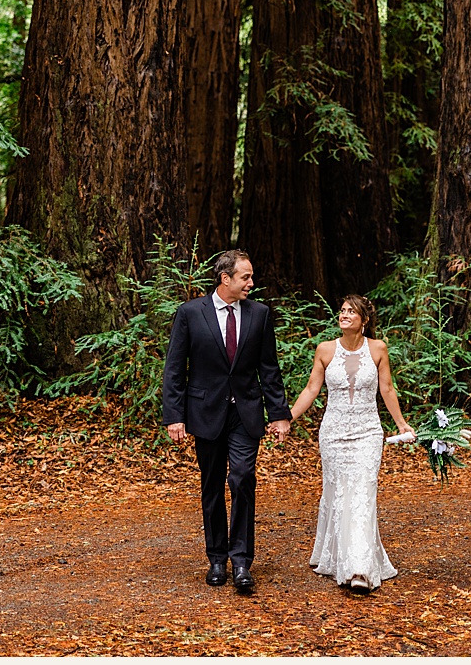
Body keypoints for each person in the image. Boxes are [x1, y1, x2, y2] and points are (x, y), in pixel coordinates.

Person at [160, 249, 292, 593]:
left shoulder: (260, 315)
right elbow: (175, 369)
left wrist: (279, 414)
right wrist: (175, 416)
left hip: (246, 414)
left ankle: (242, 561)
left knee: (243, 478)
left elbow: (269, 369)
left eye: (250, 276)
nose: (251, 282)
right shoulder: (190, 313)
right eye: (246, 277)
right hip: (205, 413)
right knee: (212, 484)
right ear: (226, 279)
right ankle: (217, 558)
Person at [288, 293, 419, 594]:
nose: (344, 315)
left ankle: (359, 567)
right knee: (338, 492)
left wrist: (401, 423)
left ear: (365, 320)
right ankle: (334, 555)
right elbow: (311, 390)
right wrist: (287, 418)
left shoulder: (378, 349)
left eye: (351, 311)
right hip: (333, 432)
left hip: (367, 432)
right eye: (342, 310)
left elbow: (386, 388)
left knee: (362, 492)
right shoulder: (324, 350)